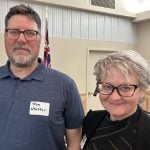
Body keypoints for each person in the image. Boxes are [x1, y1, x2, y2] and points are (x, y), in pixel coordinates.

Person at [0, 4, 84, 150]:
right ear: (5, 36)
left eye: (30, 33)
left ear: (40, 39)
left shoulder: (65, 85)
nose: (21, 39)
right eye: (13, 32)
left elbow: (74, 142)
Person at [81, 50, 150, 150]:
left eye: (125, 88)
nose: (114, 97)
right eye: (107, 86)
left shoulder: (147, 131)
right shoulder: (92, 120)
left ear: (142, 90)